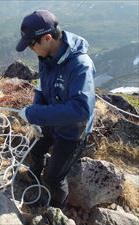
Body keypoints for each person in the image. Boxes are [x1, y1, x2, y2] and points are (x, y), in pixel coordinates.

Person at [16, 10, 95, 208]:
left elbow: (81, 109)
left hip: (72, 131)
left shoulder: (80, 65)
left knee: (53, 177)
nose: (31, 49)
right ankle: (34, 175)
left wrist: (35, 114)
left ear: (47, 38)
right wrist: (37, 113)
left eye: (32, 44)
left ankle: (54, 208)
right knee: (36, 149)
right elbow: (42, 87)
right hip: (50, 119)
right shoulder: (46, 57)